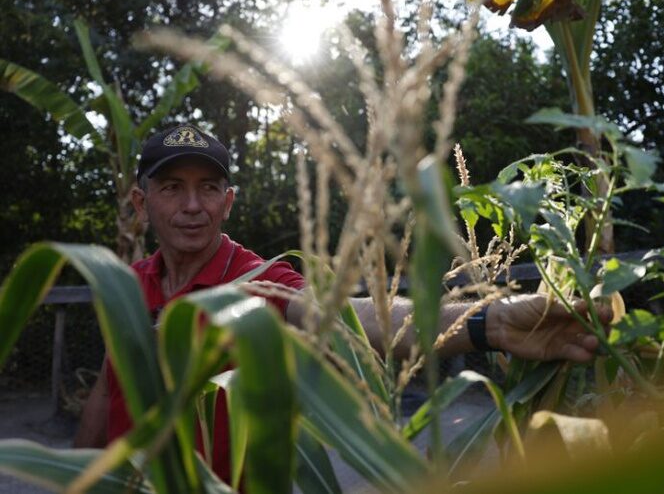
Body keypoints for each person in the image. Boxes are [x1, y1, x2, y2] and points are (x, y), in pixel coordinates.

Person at [73, 124, 611, 482]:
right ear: (141, 203)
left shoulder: (256, 279)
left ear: (228, 201)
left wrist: (489, 323)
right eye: (172, 188)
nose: (193, 206)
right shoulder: (125, 284)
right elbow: (107, 381)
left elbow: (351, 316)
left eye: (208, 188)